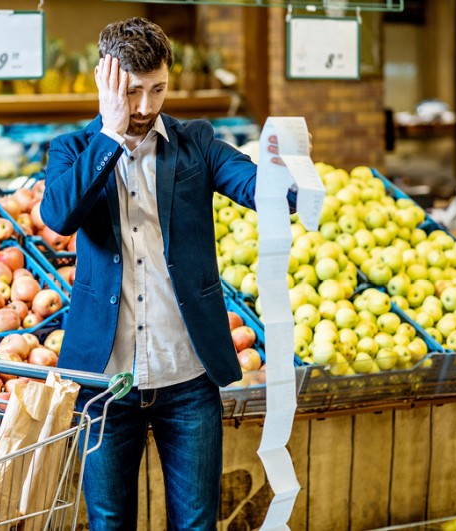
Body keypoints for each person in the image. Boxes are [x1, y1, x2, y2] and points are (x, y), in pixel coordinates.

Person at [40, 17, 289, 530]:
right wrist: (110, 133)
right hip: (104, 383)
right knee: (109, 523)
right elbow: (59, 215)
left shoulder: (194, 142)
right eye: (133, 92)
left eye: (158, 89)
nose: (147, 107)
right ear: (106, 80)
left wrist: (291, 180)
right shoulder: (73, 150)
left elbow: (253, 184)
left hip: (188, 379)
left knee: (197, 525)